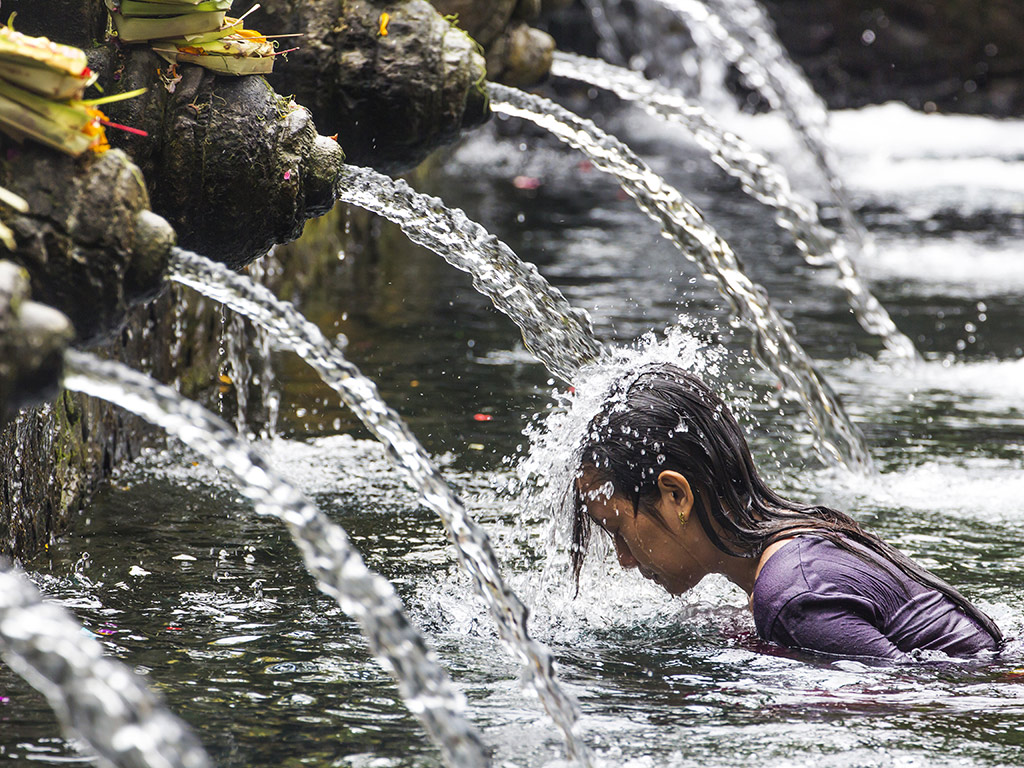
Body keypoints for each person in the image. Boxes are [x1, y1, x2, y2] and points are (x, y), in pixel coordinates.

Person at [569, 363, 1002, 661]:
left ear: (677, 496)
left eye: (616, 528)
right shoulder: (803, 539)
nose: (624, 557)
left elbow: (921, 699)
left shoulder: (791, 595)